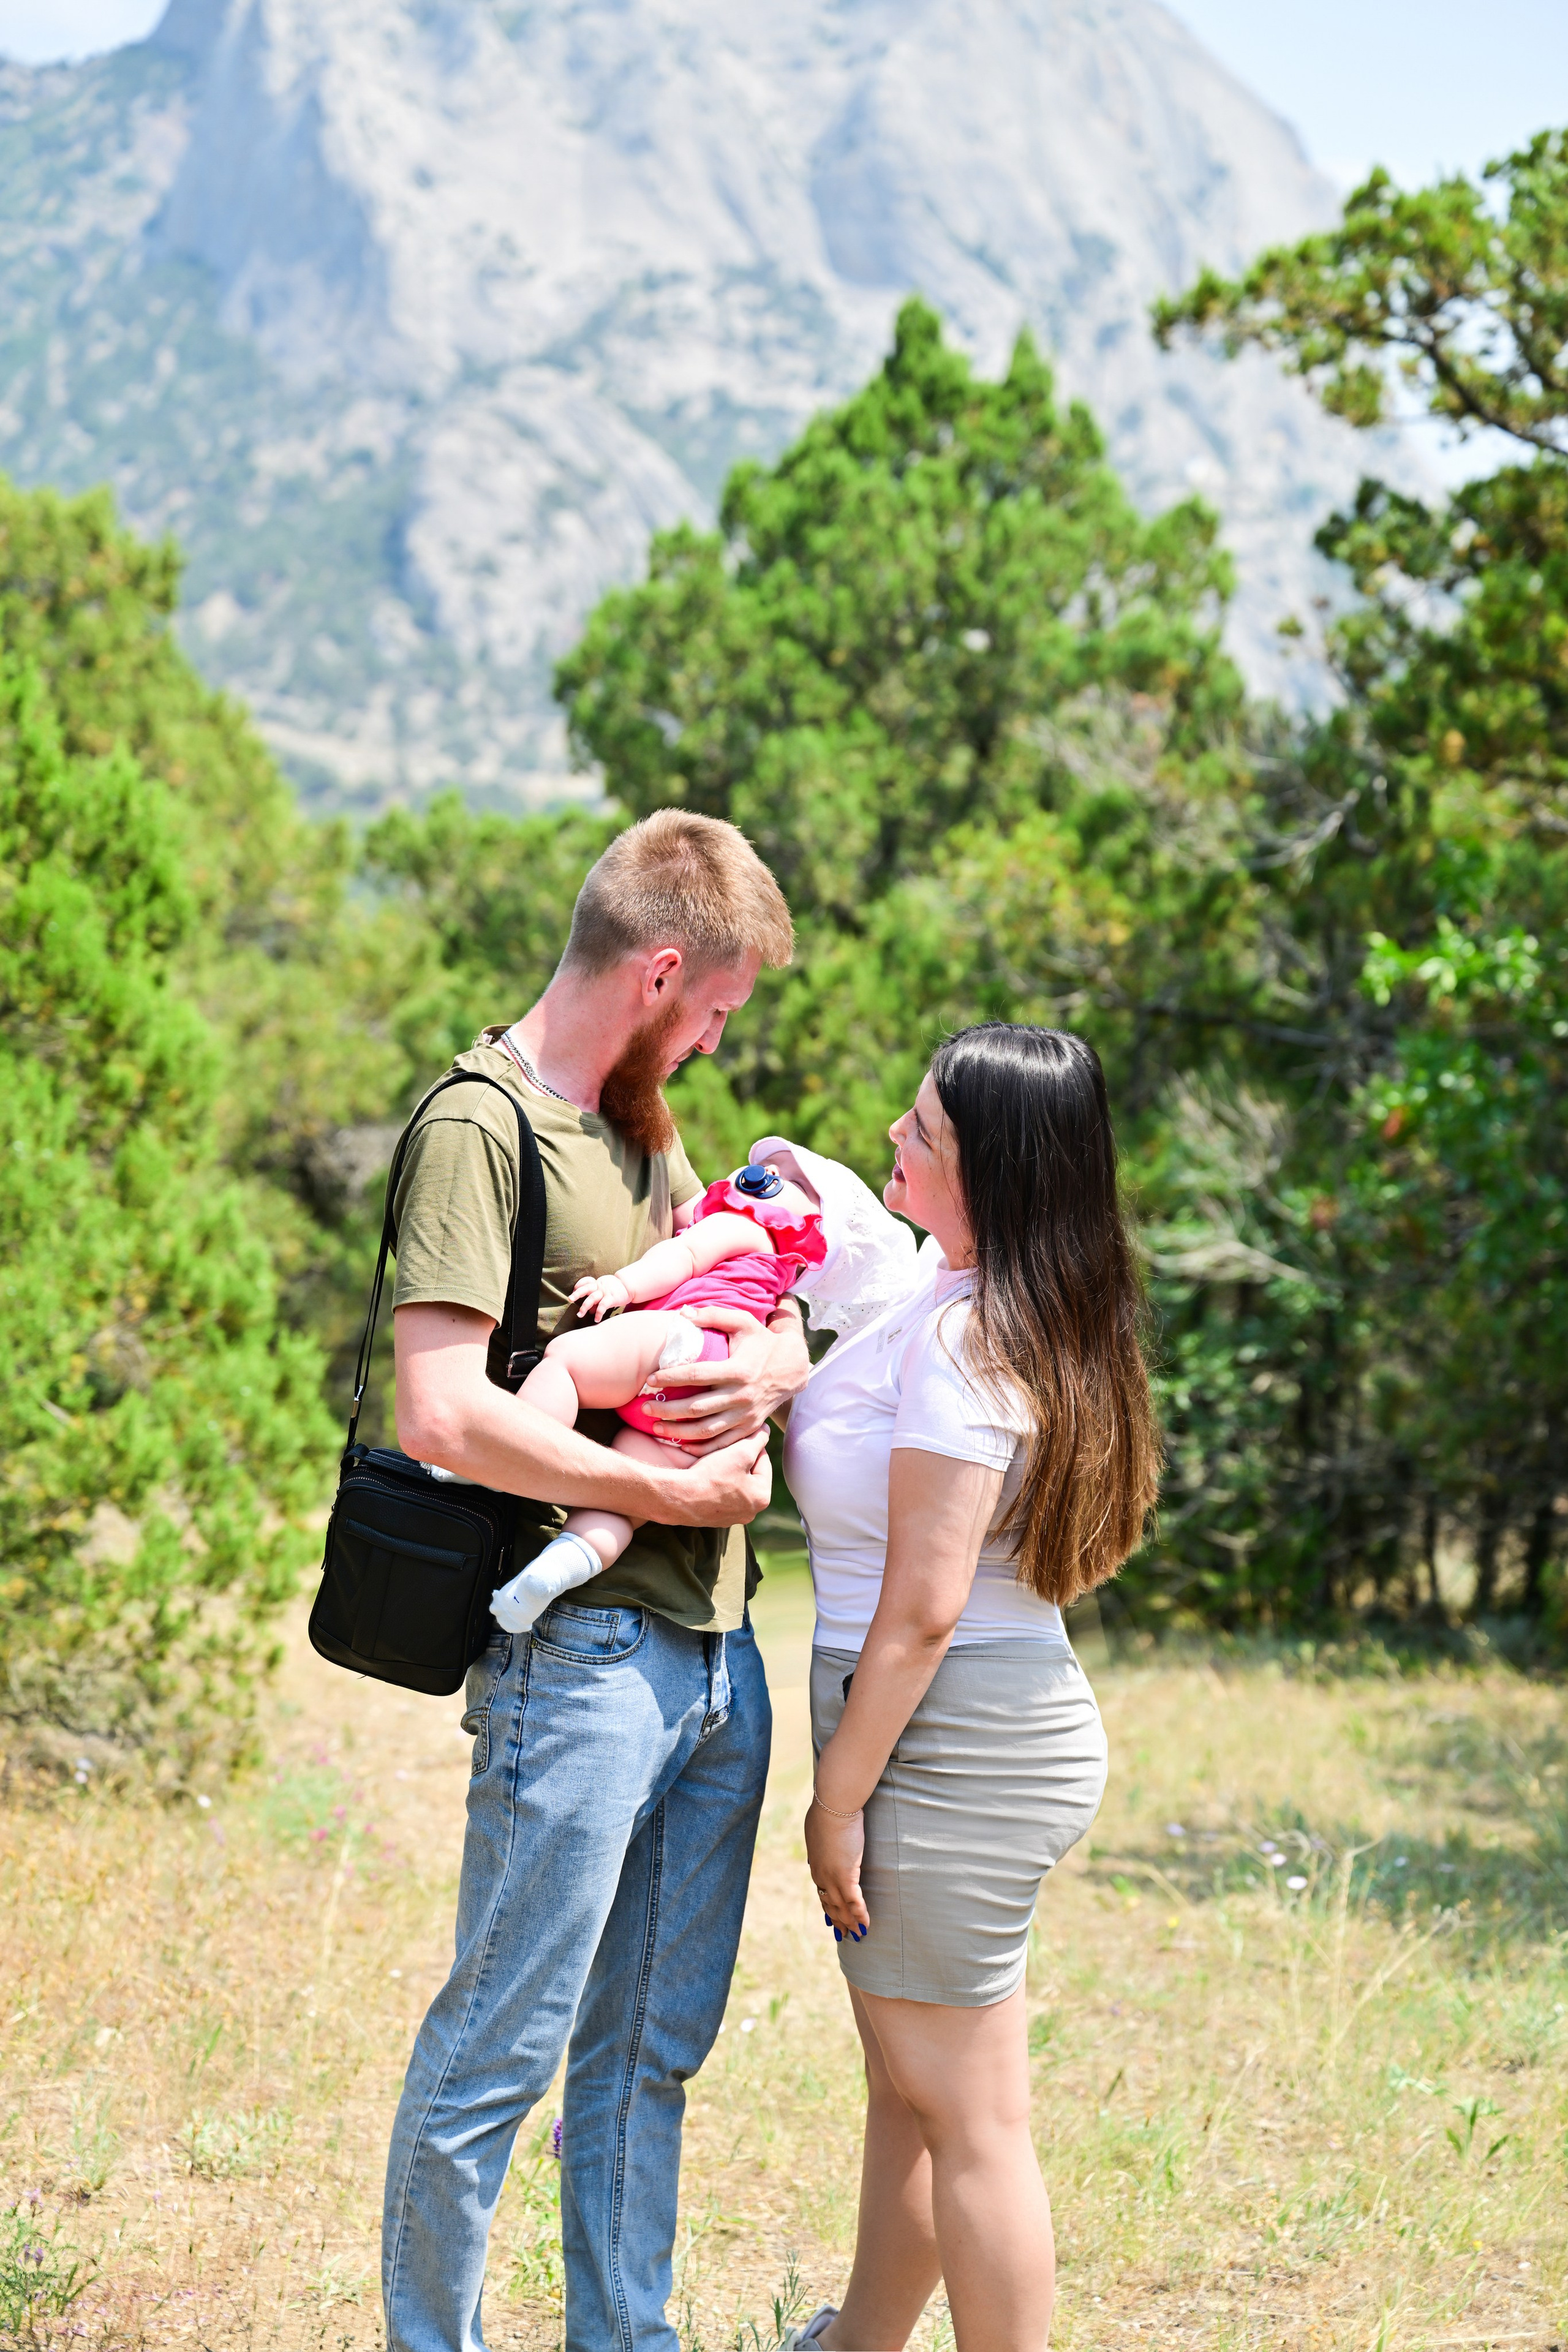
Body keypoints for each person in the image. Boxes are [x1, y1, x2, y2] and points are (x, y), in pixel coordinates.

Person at [380, 810, 809, 2352]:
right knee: (500, 2044)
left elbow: (739, 1300)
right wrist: (663, 1487)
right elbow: (436, 1409)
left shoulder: (643, 1130)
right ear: (664, 970)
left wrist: (771, 1363)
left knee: (644, 2057)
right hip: (573, 1667)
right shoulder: (477, 1123)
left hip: (710, 1660)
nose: (707, 1045)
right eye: (712, 1014)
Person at [778, 1024, 1161, 2352]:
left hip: (943, 1743)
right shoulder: (978, 1304)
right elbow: (865, 1267)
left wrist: (837, 1799)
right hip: (961, 1728)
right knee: (913, 2095)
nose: (894, 1132)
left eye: (924, 1132)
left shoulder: (965, 1345)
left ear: (992, 1174)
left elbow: (925, 1606)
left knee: (973, 2122)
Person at [491, 1158, 827, 1627]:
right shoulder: (779, 1275)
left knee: (565, 1363)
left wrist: (621, 1285)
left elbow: (683, 1257)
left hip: (686, 1338)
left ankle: (496, 1454)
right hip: (707, 1407)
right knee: (622, 1504)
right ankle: (548, 1576)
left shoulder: (741, 1226)